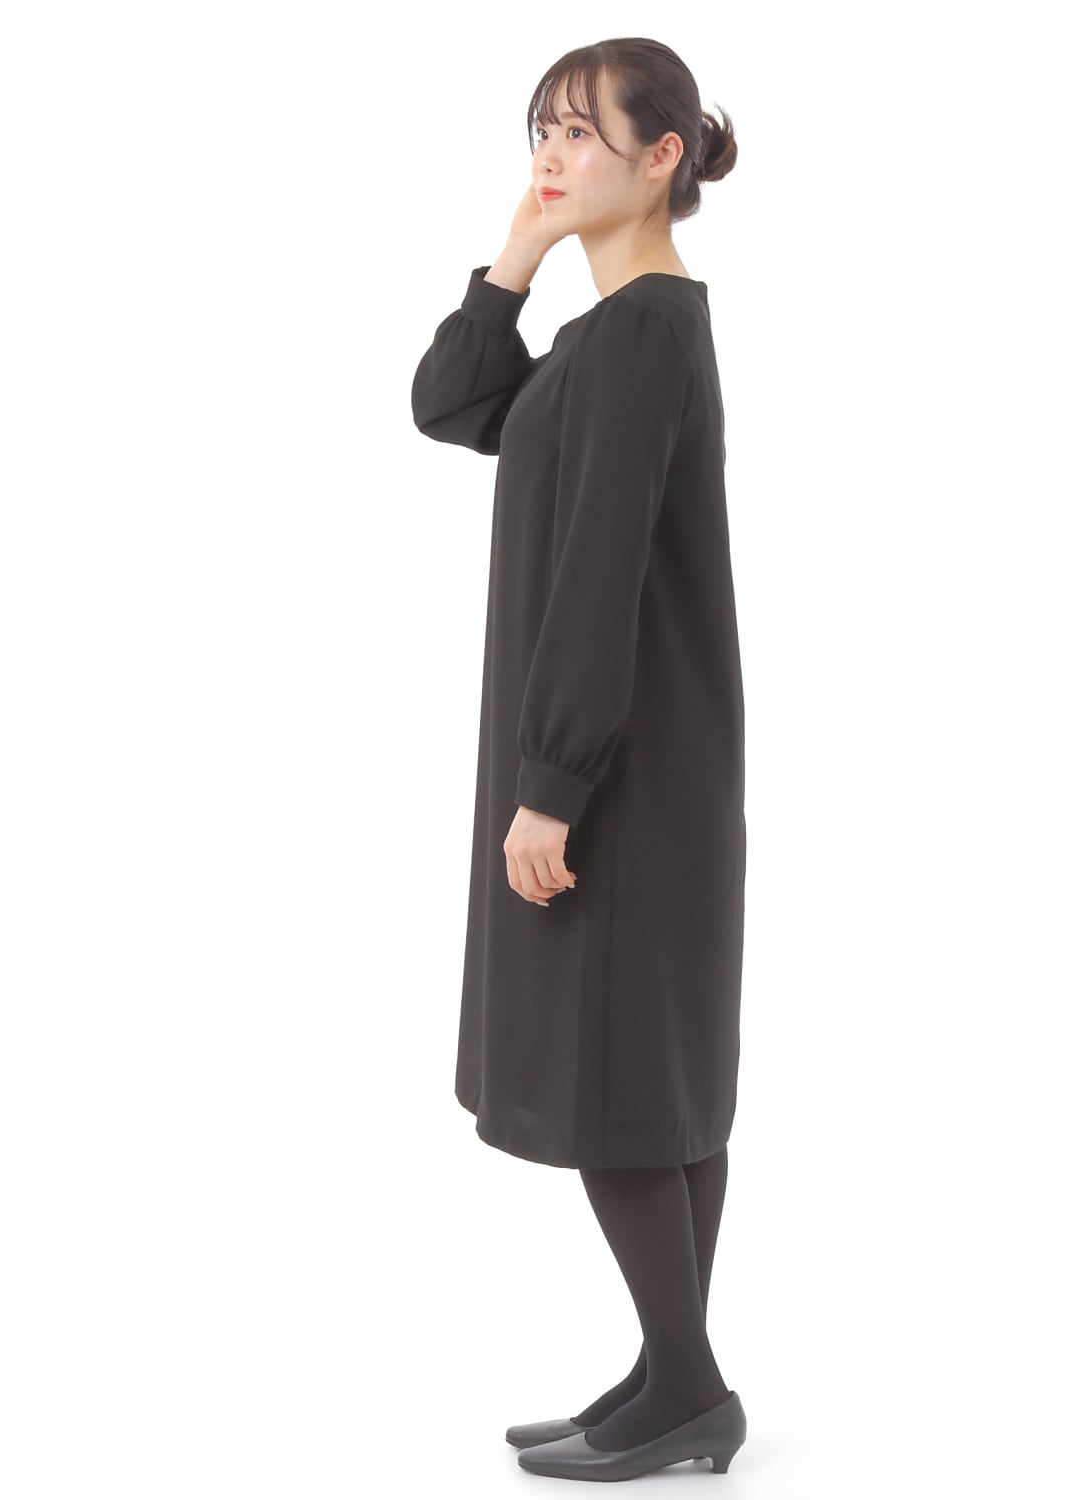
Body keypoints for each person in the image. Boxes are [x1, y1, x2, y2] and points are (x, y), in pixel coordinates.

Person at [411, 38, 748, 1481]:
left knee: (621, 1078)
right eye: (538, 130)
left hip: (619, 774)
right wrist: (518, 255)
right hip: (651, 761)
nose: (550, 155)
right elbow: (452, 405)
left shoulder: (644, 335)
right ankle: (672, 1377)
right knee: (654, 1073)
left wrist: (552, 786)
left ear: (662, 157)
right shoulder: (607, 340)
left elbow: (600, 572)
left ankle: (686, 1386)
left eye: (580, 132)